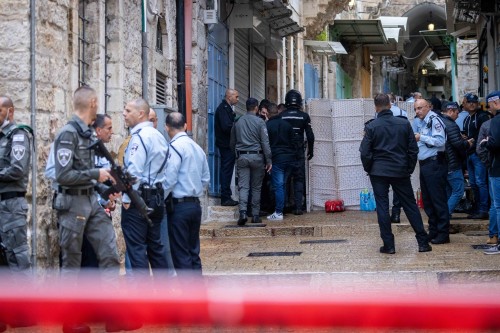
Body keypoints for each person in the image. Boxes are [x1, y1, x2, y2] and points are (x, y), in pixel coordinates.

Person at [359, 93, 431, 254]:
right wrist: (408, 168)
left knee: (383, 207)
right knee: (410, 205)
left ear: (376, 107)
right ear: (390, 105)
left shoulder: (371, 126)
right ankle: (423, 242)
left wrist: (369, 168)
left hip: (378, 172)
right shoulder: (404, 124)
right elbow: (413, 150)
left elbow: (365, 152)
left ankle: (389, 245)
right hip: (400, 170)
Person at [122, 98, 169, 274]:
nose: (124, 114)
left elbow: (134, 172)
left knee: (137, 250)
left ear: (141, 113)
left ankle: (142, 298)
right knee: (156, 248)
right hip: (156, 197)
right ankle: (163, 295)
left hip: (139, 199)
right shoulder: (158, 136)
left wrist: (127, 198)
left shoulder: (139, 138)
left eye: (128, 111)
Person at [163, 112, 210, 271]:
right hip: (195, 205)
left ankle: (187, 294)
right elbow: (206, 179)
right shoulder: (198, 149)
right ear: (185, 126)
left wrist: (160, 199)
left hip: (179, 206)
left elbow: (169, 179)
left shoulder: (174, 148)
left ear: (166, 128)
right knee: (193, 251)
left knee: (181, 253)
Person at [0, 96, 32, 274]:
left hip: (11, 206)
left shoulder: (18, 135)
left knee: (16, 258)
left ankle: (25, 301)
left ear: (9, 112)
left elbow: (17, 169)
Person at [412, 98, 450, 244]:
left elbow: (441, 141)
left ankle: (443, 233)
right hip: (425, 164)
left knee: (438, 200)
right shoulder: (420, 121)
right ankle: (433, 231)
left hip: (435, 163)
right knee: (428, 201)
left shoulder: (434, 120)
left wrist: (421, 137)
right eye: (416, 109)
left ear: (429, 107)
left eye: (420, 108)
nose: (417, 111)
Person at [230, 97, 272, 225]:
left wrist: (236, 155)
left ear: (246, 107)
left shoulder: (238, 122)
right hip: (257, 157)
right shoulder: (260, 122)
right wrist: (269, 159)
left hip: (242, 157)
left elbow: (232, 142)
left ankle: (242, 212)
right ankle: (255, 215)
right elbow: (265, 142)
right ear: (256, 108)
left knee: (243, 186)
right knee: (256, 187)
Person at [280, 89, 315, 215]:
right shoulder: (304, 116)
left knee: (284, 179)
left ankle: (283, 206)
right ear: (299, 102)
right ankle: (298, 207)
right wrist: (311, 150)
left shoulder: (281, 116)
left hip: (285, 152)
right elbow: (310, 136)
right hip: (298, 152)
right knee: (299, 179)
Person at [440, 102, 472, 218]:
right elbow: (458, 145)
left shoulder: (439, 121)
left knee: (449, 192)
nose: (458, 116)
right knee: (458, 192)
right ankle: (444, 216)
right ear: (450, 111)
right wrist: (467, 143)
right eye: (457, 113)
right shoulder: (451, 124)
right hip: (453, 164)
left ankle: (444, 220)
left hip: (444, 163)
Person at [462, 93, 490, 220]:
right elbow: (468, 135)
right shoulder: (467, 118)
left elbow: (482, 135)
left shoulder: (482, 116)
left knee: (480, 182)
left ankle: (484, 209)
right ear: (465, 104)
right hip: (469, 154)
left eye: (474, 102)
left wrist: (472, 143)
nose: (472, 104)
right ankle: (477, 207)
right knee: (473, 183)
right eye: (469, 102)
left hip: (478, 154)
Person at [266, 103, 295, 221]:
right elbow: (294, 142)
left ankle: (278, 212)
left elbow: (266, 143)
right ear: (278, 112)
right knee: (284, 184)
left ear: (267, 113)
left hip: (277, 159)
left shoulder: (267, 126)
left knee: (278, 185)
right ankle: (282, 207)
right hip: (289, 158)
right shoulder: (287, 125)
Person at [478, 91, 500, 250]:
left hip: (496, 169)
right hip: (494, 167)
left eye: (490, 104)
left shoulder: (493, 122)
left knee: (497, 205)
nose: (489, 108)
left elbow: (485, 146)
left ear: (496, 103)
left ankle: (494, 236)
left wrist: (488, 163)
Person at [214, 89, 239, 206]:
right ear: (230, 97)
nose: (238, 99)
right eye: (236, 97)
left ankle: (227, 195)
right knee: (226, 170)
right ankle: (225, 197)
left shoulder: (226, 108)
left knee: (228, 170)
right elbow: (226, 126)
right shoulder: (223, 109)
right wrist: (236, 126)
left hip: (228, 144)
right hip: (226, 144)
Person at [388, 93, 408, 223]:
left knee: (382, 187)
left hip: (384, 153)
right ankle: (396, 213)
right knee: (398, 185)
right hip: (400, 152)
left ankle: (385, 214)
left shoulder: (379, 114)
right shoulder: (402, 112)